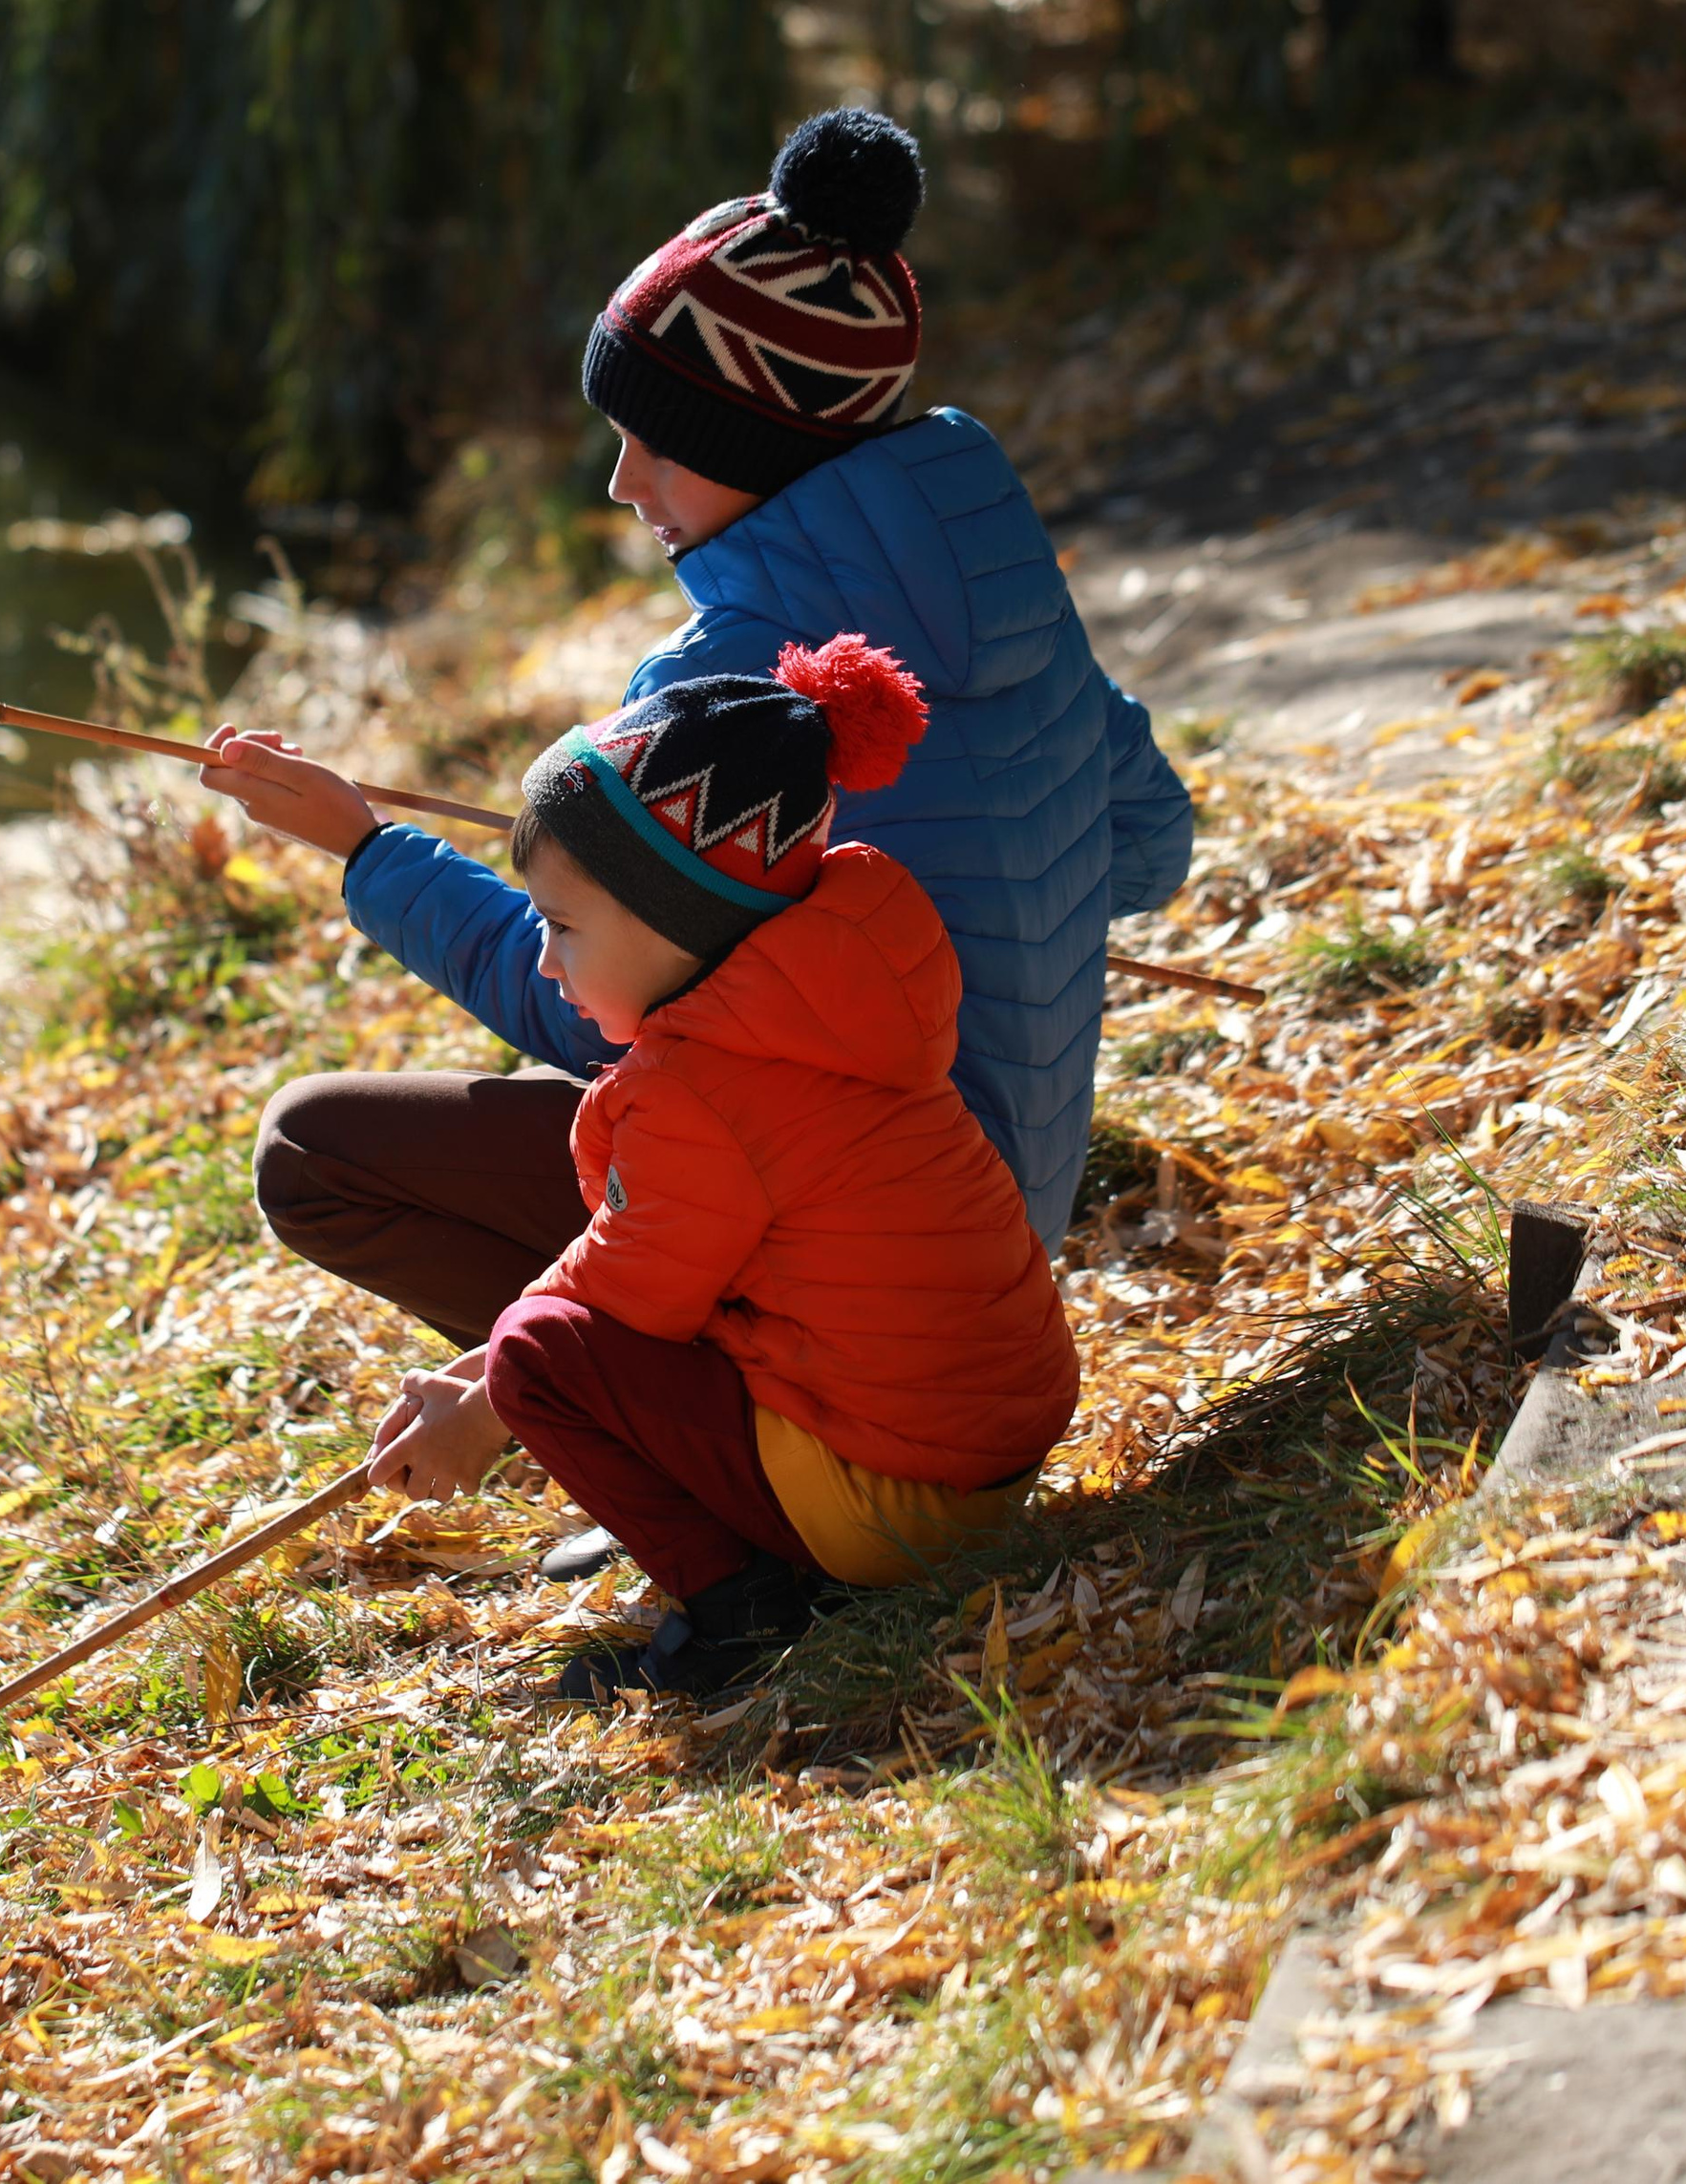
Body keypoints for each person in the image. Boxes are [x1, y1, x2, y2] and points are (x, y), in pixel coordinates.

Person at [201, 102, 1188, 1393]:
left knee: (313, 1155)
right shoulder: (1000, 578)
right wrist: (991, 919)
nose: (624, 484)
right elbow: (1152, 848)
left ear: (760, 449)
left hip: (865, 1251)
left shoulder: (722, 681)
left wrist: (362, 848)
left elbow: (588, 1003)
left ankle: (695, 1437)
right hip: (1006, 1215)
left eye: (657, 446)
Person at [353, 639, 1080, 1696]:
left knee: (539, 1357)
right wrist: (473, 1377)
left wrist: (486, 1398)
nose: (544, 959)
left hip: (899, 1495)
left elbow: (617, 1301)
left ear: (674, 919)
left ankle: (737, 1614)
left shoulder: (702, 1088)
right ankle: (766, 1545)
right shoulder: (824, 1000)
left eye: (561, 927)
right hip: (981, 1446)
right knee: (533, 1343)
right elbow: (638, 1259)